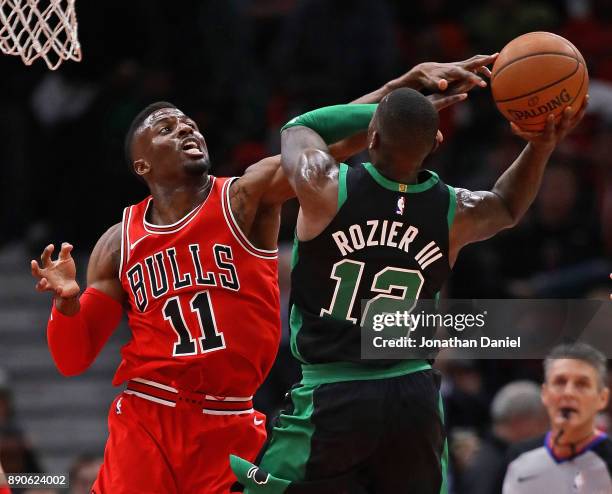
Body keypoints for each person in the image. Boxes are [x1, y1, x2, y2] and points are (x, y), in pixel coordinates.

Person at [29, 54, 496, 494]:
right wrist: (68, 302)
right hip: (148, 414)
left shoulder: (244, 197)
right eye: (167, 128)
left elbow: (322, 147)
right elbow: (72, 359)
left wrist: (400, 94)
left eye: (189, 123)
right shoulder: (118, 241)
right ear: (142, 164)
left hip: (230, 421)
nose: (186, 129)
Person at [231, 87, 587, 492]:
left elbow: (301, 125)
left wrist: (383, 110)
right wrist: (540, 146)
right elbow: (507, 204)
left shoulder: (326, 185)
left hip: (333, 391)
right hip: (413, 395)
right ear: (436, 143)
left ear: (372, 137)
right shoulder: (454, 209)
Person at [502, 343, 612, 493]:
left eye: (581, 384)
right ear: (545, 394)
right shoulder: (519, 456)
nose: (568, 392)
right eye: (560, 382)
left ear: (602, 398)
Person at [461, 381, 548, 494]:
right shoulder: (493, 465)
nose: (547, 430)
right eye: (543, 421)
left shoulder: (486, 455)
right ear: (520, 421)